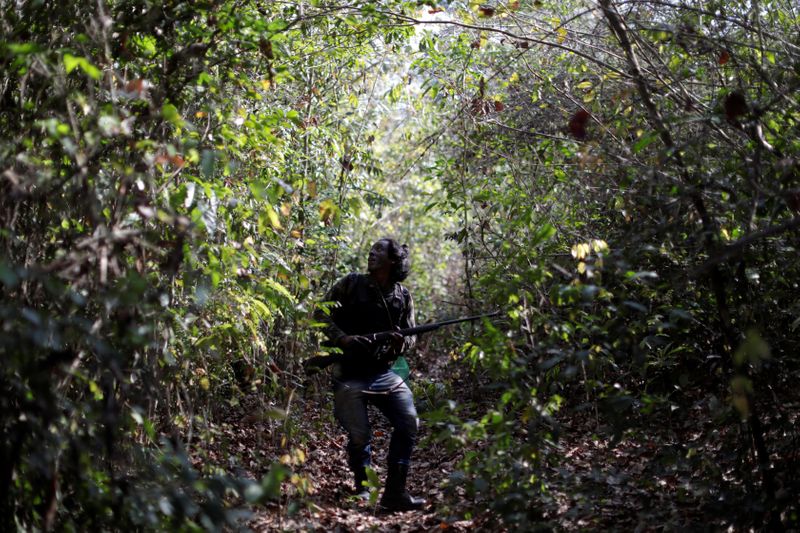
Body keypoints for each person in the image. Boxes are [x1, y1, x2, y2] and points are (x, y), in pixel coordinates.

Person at [315, 238, 426, 511]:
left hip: (383, 373)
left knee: (409, 422)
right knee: (359, 435)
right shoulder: (351, 284)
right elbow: (319, 314)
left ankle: (395, 493)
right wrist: (343, 339)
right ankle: (363, 487)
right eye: (372, 248)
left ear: (393, 260)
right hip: (349, 373)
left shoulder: (403, 296)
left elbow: (410, 335)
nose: (372, 252)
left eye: (379, 250)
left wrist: (403, 342)